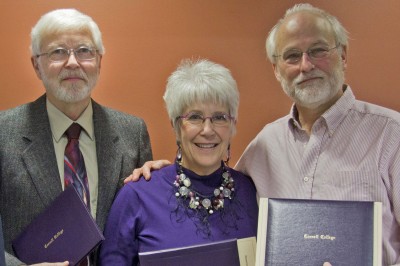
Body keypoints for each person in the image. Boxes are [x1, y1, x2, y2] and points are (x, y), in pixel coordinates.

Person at [126, 4, 400, 265]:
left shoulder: (391, 137)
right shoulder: (266, 144)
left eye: (318, 50)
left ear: (343, 55)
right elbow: (213, 178)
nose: (306, 65)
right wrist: (165, 174)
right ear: (277, 69)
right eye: (292, 55)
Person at [0, 9, 153, 266]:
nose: (73, 62)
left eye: (84, 51)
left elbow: (144, 226)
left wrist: (162, 181)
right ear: (36, 65)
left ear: (100, 62)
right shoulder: (3, 133)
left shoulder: (133, 132)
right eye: (58, 52)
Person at [99, 59, 258, 265]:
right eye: (195, 117)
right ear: (175, 126)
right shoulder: (136, 196)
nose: (208, 130)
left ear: (233, 125)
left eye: (219, 117)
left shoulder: (252, 193)